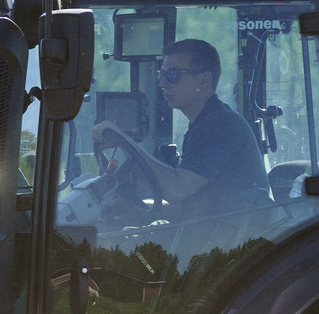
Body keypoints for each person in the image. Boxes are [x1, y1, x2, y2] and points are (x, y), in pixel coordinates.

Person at [91, 37, 265, 212]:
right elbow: (188, 205)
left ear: (204, 81)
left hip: (240, 236)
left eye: (172, 75)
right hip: (222, 229)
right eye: (161, 74)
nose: (162, 83)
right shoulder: (204, 123)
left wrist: (125, 143)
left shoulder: (219, 125)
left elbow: (175, 190)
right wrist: (135, 210)